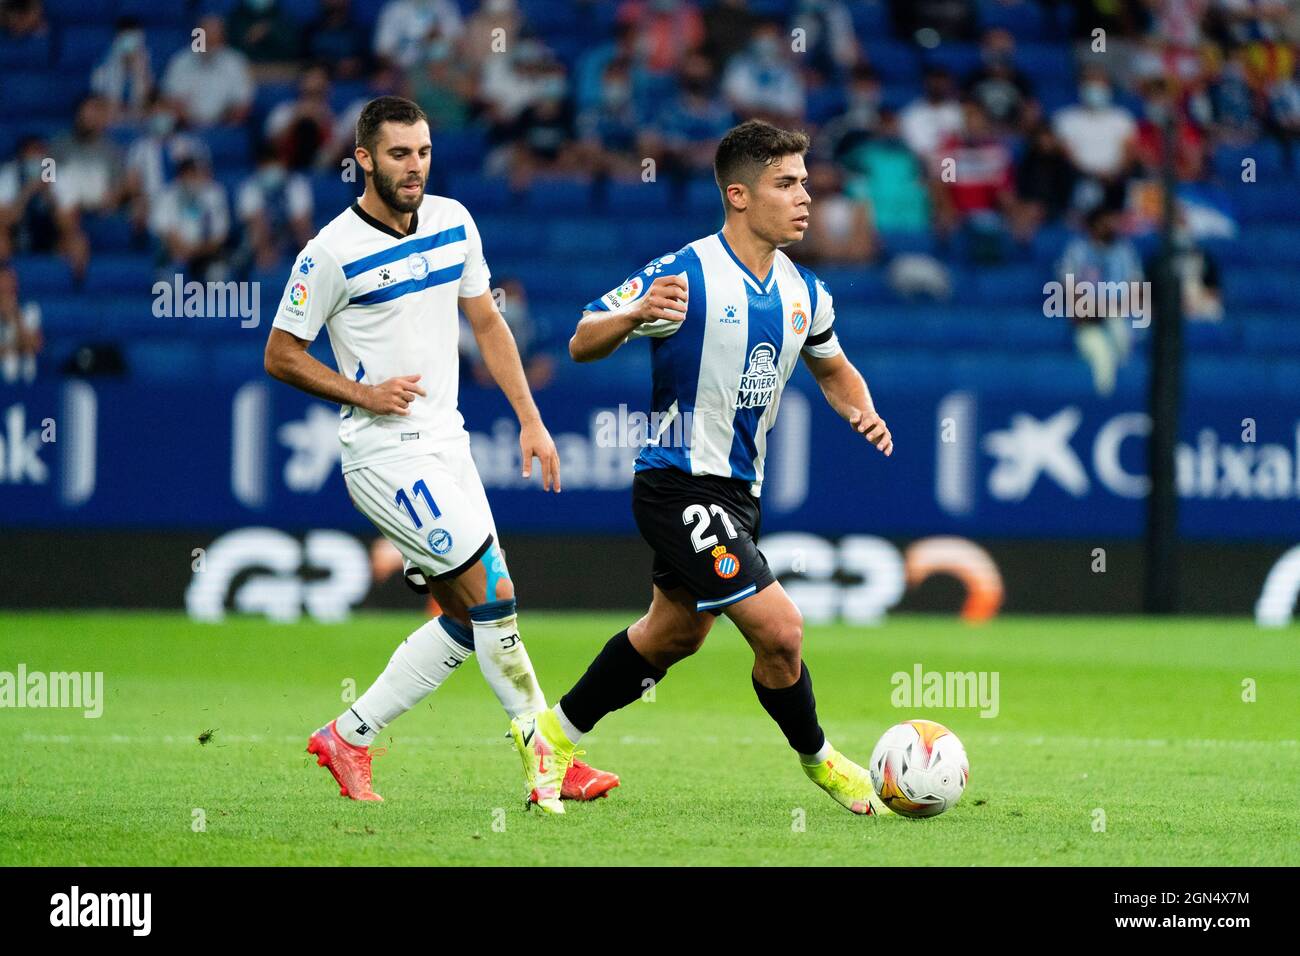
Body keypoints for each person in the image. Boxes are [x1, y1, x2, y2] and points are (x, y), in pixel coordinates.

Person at [509, 120, 894, 815]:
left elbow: (834, 369)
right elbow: (580, 340)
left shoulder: (806, 292)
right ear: (739, 195)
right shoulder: (683, 274)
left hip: (739, 493)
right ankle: (820, 759)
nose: (806, 196)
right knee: (781, 629)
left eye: (806, 181)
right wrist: (632, 315)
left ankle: (551, 735)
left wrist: (859, 408)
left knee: (673, 634)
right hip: (676, 483)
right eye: (788, 184)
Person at [263, 97, 617, 804]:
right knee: (496, 591)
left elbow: (487, 323)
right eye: (399, 154)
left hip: (446, 443)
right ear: (363, 159)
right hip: (383, 454)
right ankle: (547, 754)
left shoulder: (455, 221)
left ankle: (349, 736)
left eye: (423, 152)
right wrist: (363, 394)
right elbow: (280, 354)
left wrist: (529, 417)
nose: (415, 166)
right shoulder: (330, 252)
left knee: (467, 618)